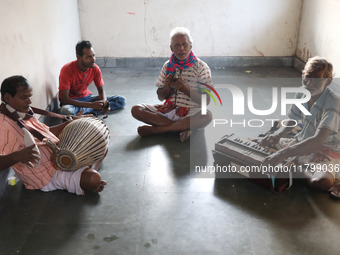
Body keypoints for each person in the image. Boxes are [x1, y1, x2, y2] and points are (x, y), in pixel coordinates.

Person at [0, 75, 107, 195]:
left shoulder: (21, 111)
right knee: (93, 179)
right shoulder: (3, 125)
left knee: (100, 145)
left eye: (30, 96)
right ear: (8, 97)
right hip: (44, 174)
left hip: (56, 155)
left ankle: (84, 171)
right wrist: (17, 156)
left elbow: (46, 132)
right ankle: (87, 173)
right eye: (24, 97)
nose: (29, 101)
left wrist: (72, 122)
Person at [260, 56, 340, 197]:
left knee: (320, 182)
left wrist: (282, 153)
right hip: (303, 142)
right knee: (260, 144)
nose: (310, 83)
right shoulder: (302, 91)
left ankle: (296, 165)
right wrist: (277, 134)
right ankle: (298, 166)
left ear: (328, 81)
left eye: (317, 80)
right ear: (303, 75)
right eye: (307, 77)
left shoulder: (334, 101)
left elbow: (318, 140)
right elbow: (293, 120)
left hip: (329, 149)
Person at [131, 27, 213, 142]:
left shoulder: (201, 67)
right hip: (168, 109)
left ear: (191, 45)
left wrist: (185, 89)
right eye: (177, 45)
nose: (181, 49)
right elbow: (160, 97)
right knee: (137, 109)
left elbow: (206, 101)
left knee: (206, 116)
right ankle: (181, 128)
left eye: (185, 44)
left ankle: (159, 130)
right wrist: (166, 87)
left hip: (191, 112)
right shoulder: (167, 66)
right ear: (171, 48)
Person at [59, 40, 126, 116]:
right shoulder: (67, 70)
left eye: (93, 55)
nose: (93, 59)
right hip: (72, 102)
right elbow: (64, 99)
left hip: (88, 98)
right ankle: (93, 110)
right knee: (66, 111)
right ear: (79, 57)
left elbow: (101, 91)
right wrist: (91, 105)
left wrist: (104, 103)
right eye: (89, 57)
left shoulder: (95, 68)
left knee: (121, 100)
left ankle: (86, 112)